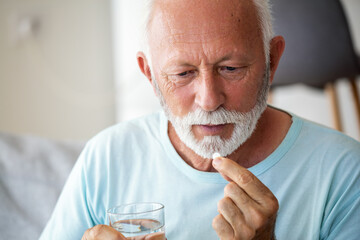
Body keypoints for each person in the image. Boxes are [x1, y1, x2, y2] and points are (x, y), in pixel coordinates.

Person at [40, 0, 360, 239]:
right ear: (150, 75)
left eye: (231, 69)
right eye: (182, 73)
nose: (209, 100)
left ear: (272, 60)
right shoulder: (106, 156)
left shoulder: (344, 172)